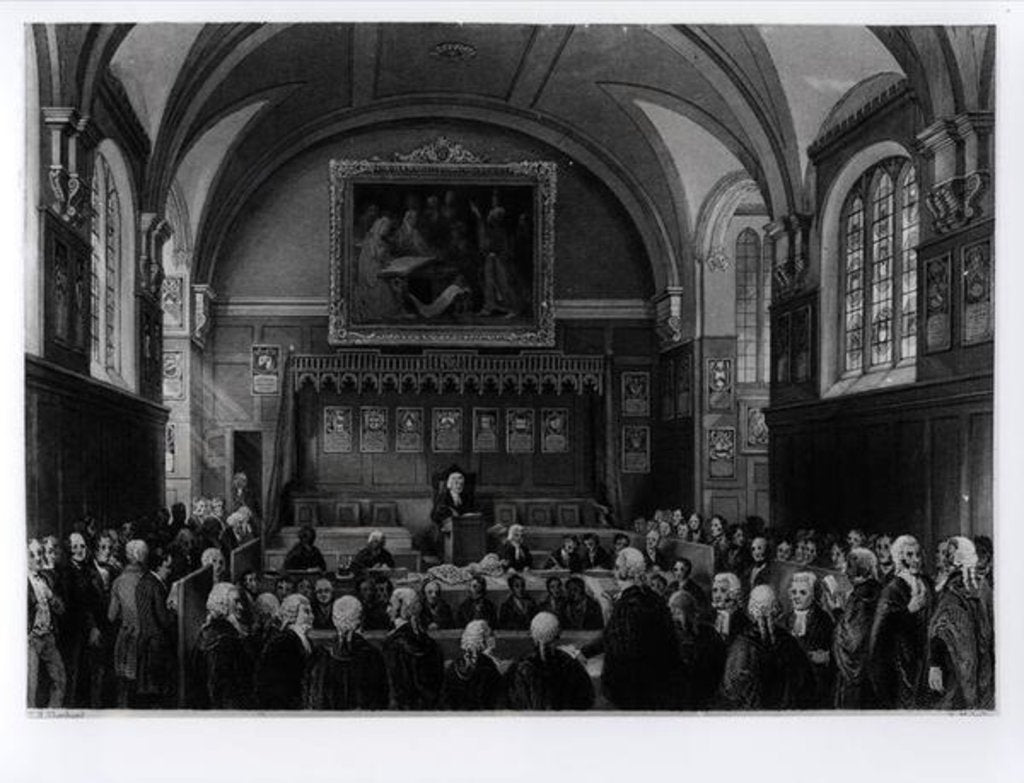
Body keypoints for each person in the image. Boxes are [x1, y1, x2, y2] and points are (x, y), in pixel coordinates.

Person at [595, 547, 680, 710]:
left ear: (628, 571)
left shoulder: (630, 603)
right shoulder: (651, 597)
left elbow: (619, 643)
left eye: (618, 567)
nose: (614, 571)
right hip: (651, 680)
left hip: (635, 684)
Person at [718, 585, 815, 710]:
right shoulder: (789, 641)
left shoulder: (741, 644)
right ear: (776, 609)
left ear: (751, 609)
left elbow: (731, 689)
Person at [926, 537, 994, 709]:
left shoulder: (954, 589)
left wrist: (935, 664)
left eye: (949, 554)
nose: (945, 559)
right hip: (975, 662)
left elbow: (940, 628)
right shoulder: (983, 586)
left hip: (955, 665)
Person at [869, 534, 931, 709]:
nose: (916, 560)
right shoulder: (893, 589)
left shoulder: (926, 583)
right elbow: (882, 629)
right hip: (900, 662)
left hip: (923, 657)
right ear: (900, 558)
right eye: (910, 555)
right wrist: (908, 611)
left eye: (918, 555)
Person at [304, 596, 389, 711]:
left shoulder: (321, 654)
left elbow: (313, 696)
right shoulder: (373, 655)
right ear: (360, 620)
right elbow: (381, 698)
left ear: (334, 619)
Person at [829, 546, 882, 708]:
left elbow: (851, 642)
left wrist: (837, 611)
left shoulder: (862, 596)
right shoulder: (877, 590)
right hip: (873, 669)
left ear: (861, 570)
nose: (846, 572)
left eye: (850, 567)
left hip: (860, 675)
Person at [507, 612, 594, 710]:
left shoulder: (519, 668)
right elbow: (587, 700)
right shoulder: (571, 664)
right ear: (558, 635)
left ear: (532, 635)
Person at [190, 583, 252, 710]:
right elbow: (221, 689)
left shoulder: (213, 632)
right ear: (223, 605)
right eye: (236, 602)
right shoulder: (224, 639)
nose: (240, 607)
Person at [61, 531, 105, 708]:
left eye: (82, 546)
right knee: (75, 672)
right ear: (68, 549)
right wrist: (91, 626)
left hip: (89, 629)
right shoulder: (67, 573)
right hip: (75, 631)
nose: (79, 550)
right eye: (75, 547)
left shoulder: (87, 569)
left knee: (90, 672)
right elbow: (75, 605)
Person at [382, 587, 444, 710]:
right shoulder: (428, 641)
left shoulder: (392, 643)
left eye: (391, 605)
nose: (387, 610)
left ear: (402, 609)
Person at [782, 571, 835, 708]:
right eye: (794, 592)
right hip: (789, 685)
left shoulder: (824, 620)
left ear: (813, 595)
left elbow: (833, 653)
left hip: (816, 685)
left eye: (802, 593)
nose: (796, 597)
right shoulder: (783, 621)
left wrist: (827, 657)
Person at [135, 546, 178, 709]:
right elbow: (163, 619)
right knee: (157, 690)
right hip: (156, 644)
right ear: (158, 566)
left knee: (149, 689)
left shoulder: (145, 581)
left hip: (147, 641)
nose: (169, 571)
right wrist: (175, 611)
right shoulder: (156, 586)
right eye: (167, 567)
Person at [255, 593, 314, 710]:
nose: (312, 616)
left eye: (311, 612)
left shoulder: (306, 641)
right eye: (307, 612)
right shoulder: (282, 642)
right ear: (293, 614)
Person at [108, 539, 148, 708]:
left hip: (126, 635)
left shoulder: (118, 581)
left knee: (124, 685)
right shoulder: (149, 581)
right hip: (144, 639)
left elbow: (111, 616)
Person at [667, 589, 722, 710]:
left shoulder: (709, 633)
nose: (674, 617)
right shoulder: (667, 635)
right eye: (672, 612)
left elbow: (717, 666)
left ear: (690, 612)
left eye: (678, 612)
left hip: (704, 696)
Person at [28, 538, 66, 708]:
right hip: (31, 640)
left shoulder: (43, 579)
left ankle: (53, 718)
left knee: (60, 680)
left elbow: (59, 607)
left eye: (39, 554)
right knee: (30, 687)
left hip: (48, 636)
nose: (37, 558)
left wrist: (55, 601)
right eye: (32, 555)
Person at [441, 620, 505, 710]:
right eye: (490, 635)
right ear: (483, 640)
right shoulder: (487, 666)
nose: (493, 639)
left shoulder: (454, 666)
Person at [710, 572, 750, 647]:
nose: (717, 596)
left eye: (723, 591)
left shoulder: (742, 621)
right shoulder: (709, 618)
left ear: (734, 594)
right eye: (715, 590)